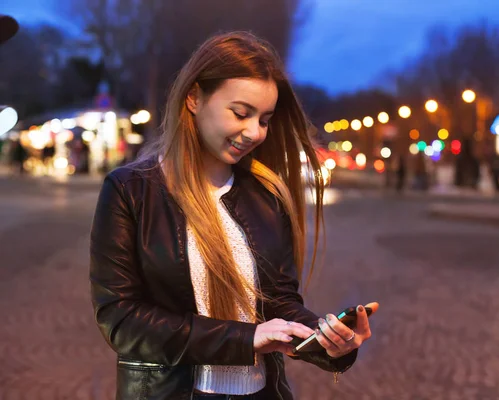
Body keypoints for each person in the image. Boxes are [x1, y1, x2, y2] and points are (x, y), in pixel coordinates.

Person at [90, 32, 378, 400]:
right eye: (241, 113)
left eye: (265, 119)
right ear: (194, 98)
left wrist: (330, 343)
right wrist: (244, 339)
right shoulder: (129, 190)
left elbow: (279, 301)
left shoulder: (267, 194)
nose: (255, 132)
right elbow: (121, 319)